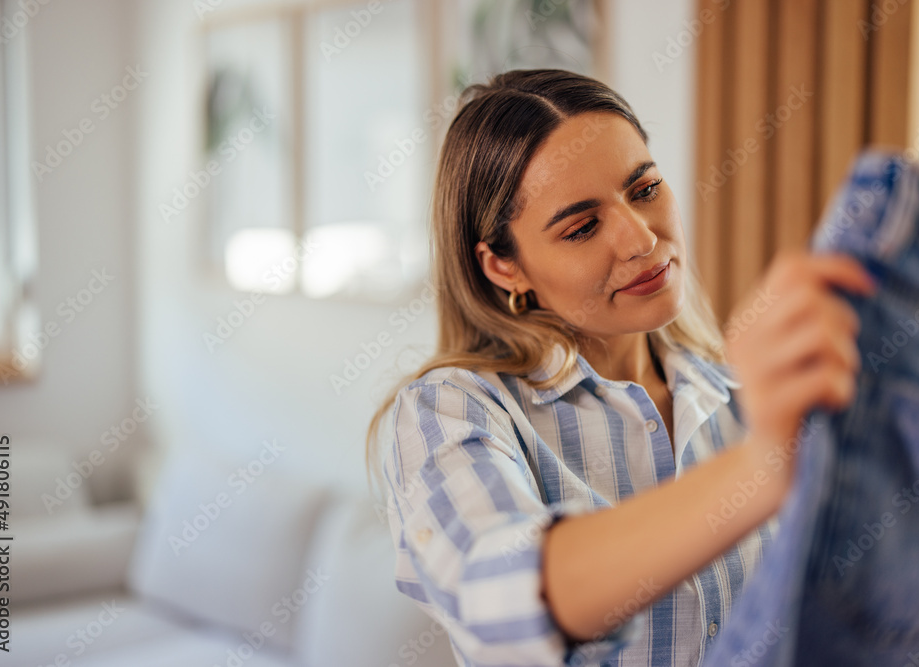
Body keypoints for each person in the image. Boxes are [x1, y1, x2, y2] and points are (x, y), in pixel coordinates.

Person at [364, 69, 876, 667]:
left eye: (645, 189)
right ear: (505, 267)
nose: (640, 239)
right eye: (582, 227)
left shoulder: (746, 398)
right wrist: (762, 467)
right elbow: (494, 595)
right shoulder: (451, 411)